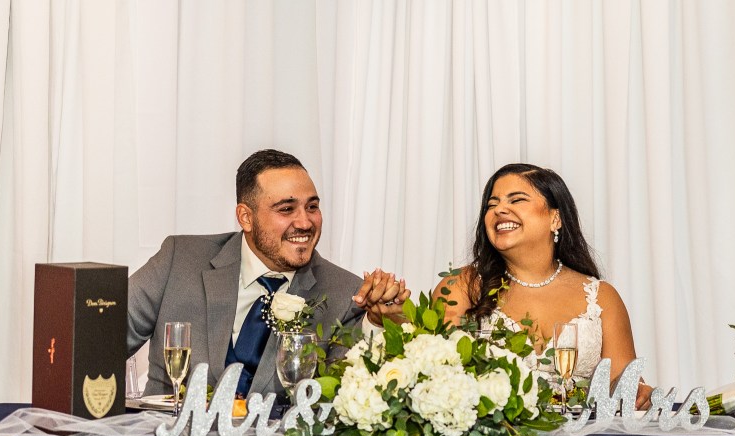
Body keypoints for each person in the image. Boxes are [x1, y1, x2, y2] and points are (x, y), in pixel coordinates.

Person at [128, 149, 408, 398]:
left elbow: (346, 390)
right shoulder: (180, 261)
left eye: (312, 207)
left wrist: (377, 323)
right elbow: (106, 338)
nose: (305, 222)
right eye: (286, 209)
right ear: (246, 217)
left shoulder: (345, 294)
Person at [435, 162, 651, 408]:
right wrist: (402, 319)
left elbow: (622, 387)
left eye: (516, 200)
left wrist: (638, 394)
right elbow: (436, 369)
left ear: (555, 218)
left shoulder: (601, 297)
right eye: (491, 205)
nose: (499, 209)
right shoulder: (461, 286)